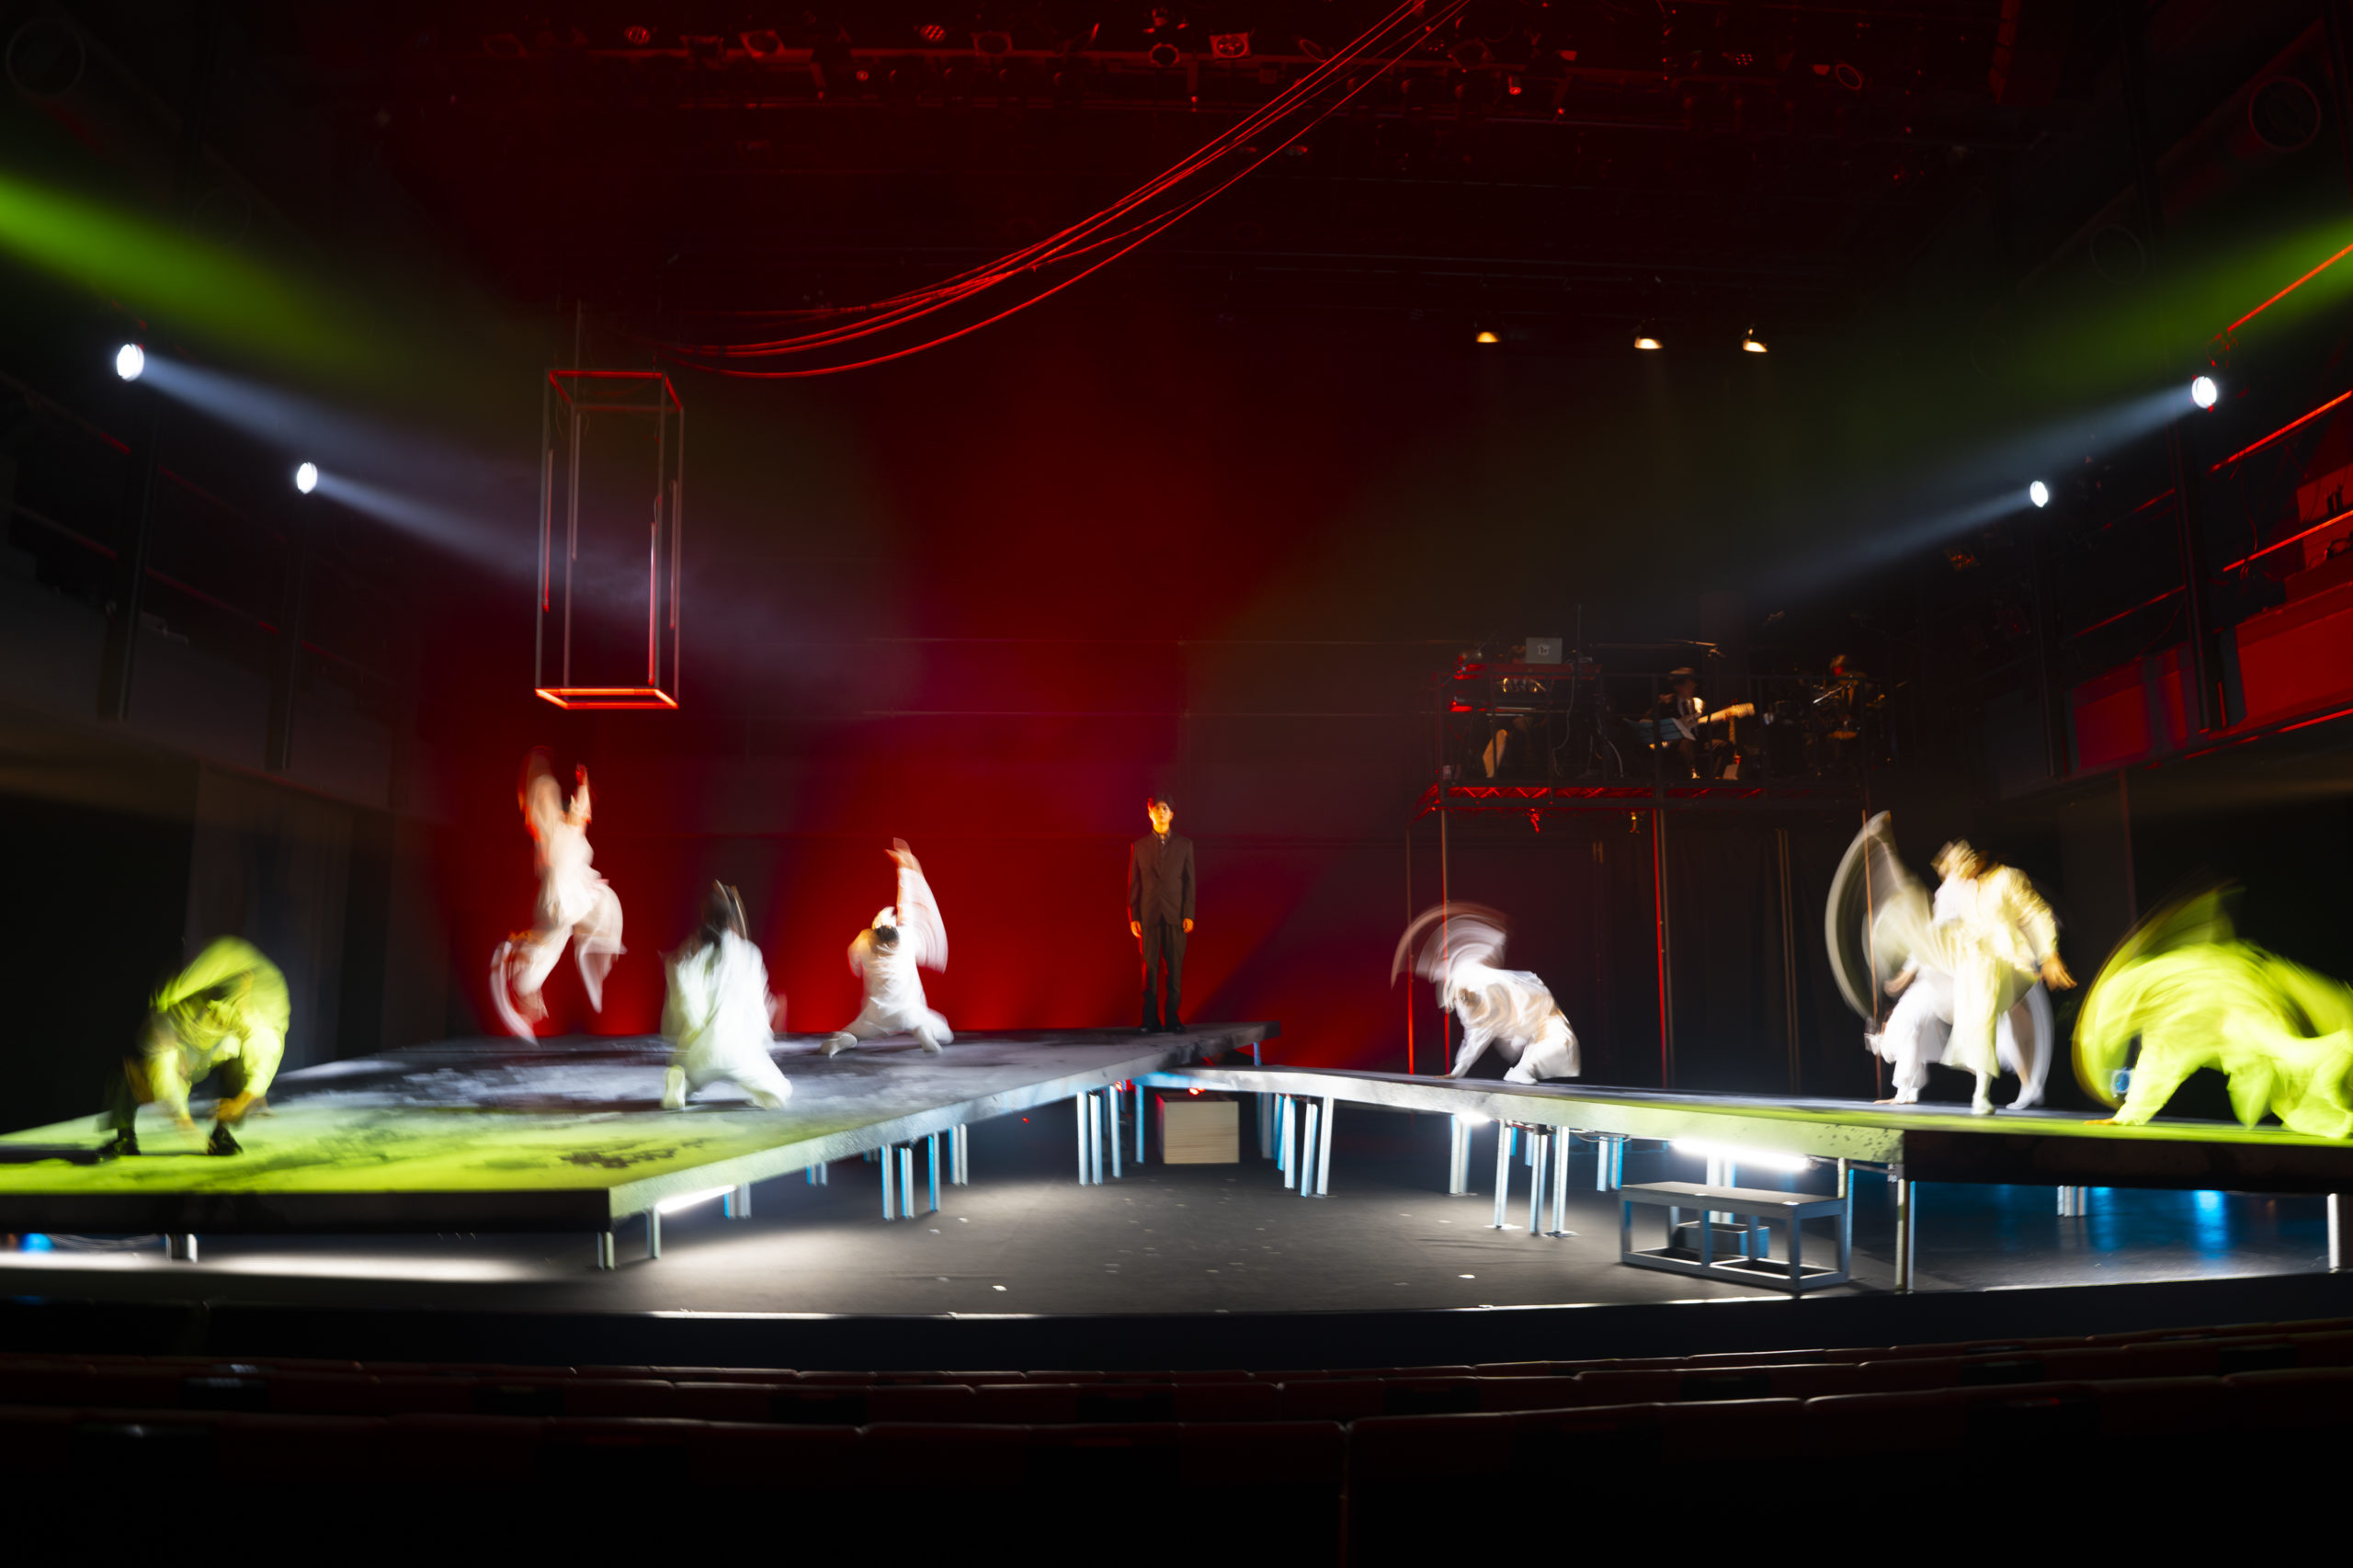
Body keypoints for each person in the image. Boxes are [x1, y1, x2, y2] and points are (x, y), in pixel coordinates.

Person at [1881, 834, 2071, 1115]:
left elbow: (2034, 912)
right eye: (1956, 862)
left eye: (1965, 858)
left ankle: (1986, 1092)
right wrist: (1911, 964)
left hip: (2001, 964)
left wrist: (2048, 954)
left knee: (1988, 1012)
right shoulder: (1960, 892)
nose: (1962, 864)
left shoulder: (2003, 880)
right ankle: (2005, 1083)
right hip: (1968, 963)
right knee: (1980, 1015)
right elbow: (1943, 930)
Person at [99, 937, 288, 1157]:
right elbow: (163, 1062)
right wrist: (183, 1118)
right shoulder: (171, 1013)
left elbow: (266, 1047)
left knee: (239, 1065)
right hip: (184, 1046)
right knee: (127, 1070)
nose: (221, 1016)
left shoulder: (245, 1010)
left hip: (215, 1046)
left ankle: (222, 1133)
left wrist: (244, 1099)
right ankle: (124, 1137)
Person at [492, 748, 625, 1039]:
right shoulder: (557, 830)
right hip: (558, 898)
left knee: (595, 911)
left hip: (569, 895)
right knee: (556, 935)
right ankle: (522, 971)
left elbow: (579, 811)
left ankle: (525, 969)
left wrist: (583, 785)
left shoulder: (566, 830)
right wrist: (566, 784)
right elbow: (555, 808)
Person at [1392, 903, 1579, 1083]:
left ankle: (1523, 1069)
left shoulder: (1468, 972)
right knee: (1556, 1039)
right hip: (1523, 1012)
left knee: (1562, 1041)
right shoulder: (1476, 1014)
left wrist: (1495, 934)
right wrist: (1457, 1072)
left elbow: (1472, 952)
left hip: (1534, 1002)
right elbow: (1476, 1040)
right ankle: (1522, 1069)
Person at [661, 881, 793, 1110]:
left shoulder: (697, 956)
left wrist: (686, 1045)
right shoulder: (750, 953)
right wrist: (764, 1037)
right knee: (780, 1091)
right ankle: (762, 1088)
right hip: (740, 1056)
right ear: (732, 920)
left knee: (689, 1076)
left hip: (702, 1055)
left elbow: (690, 1009)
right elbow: (756, 1009)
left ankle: (682, 1081)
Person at [820, 839, 952, 1057]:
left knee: (852, 1032)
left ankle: (844, 1040)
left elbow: (854, 963)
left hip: (876, 1017)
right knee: (945, 1032)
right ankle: (923, 1031)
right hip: (910, 1013)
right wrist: (907, 868)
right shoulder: (907, 939)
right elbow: (909, 904)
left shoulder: (863, 942)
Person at [1128, 796, 1195, 1031]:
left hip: (1176, 915)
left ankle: (1173, 1020)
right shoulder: (1139, 846)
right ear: (1150, 814)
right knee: (1150, 970)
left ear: (1172, 814)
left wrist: (1188, 913)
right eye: (1156, 809)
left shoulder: (1184, 845)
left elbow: (1189, 881)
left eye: (1165, 809)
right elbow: (1134, 884)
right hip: (1149, 915)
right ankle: (1150, 1021)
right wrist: (1134, 916)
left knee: (1174, 970)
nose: (1160, 812)